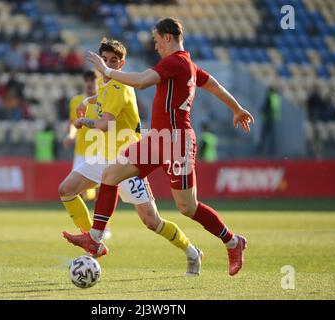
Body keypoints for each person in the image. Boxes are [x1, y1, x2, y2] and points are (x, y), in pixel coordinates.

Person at [63, 18, 255, 276]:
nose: (155, 47)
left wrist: (106, 71)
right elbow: (214, 85)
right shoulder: (186, 65)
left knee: (187, 207)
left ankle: (233, 241)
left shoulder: (175, 61)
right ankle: (95, 238)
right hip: (156, 139)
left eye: (156, 40)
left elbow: (142, 81)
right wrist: (237, 108)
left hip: (177, 142)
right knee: (111, 175)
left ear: (168, 37)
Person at [59, 38, 203, 276]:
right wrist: (88, 101)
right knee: (66, 189)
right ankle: (93, 241)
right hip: (103, 157)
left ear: (122, 63)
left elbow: (105, 124)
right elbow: (103, 99)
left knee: (152, 221)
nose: (108, 64)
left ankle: (191, 251)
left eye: (113, 61)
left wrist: (84, 120)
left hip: (128, 162)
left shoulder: (119, 86)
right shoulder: (107, 86)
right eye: (104, 60)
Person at [63, 69, 99, 201]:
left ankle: (101, 222)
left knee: (101, 191)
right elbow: (73, 123)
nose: (89, 83)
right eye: (87, 80)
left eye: (93, 80)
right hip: (81, 152)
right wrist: (70, 136)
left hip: (101, 152)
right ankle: (83, 221)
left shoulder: (104, 100)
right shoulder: (76, 101)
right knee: (76, 190)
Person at [256, 86, 281, 156]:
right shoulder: (275, 97)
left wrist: (261, 111)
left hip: (268, 118)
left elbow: (265, 107)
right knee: (271, 135)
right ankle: (272, 151)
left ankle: (260, 151)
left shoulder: (269, 97)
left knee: (264, 135)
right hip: (272, 118)